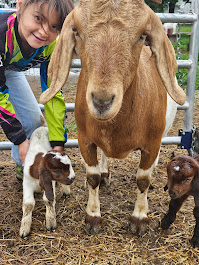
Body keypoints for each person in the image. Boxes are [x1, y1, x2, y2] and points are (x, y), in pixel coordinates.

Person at [0, 0, 74, 179]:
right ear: (20, 6)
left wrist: (57, 141)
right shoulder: (2, 35)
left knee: (32, 121)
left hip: (10, 69)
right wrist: (18, 138)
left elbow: (52, 90)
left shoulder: (51, 46)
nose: (44, 31)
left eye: (54, 26)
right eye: (38, 18)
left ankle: (24, 166)